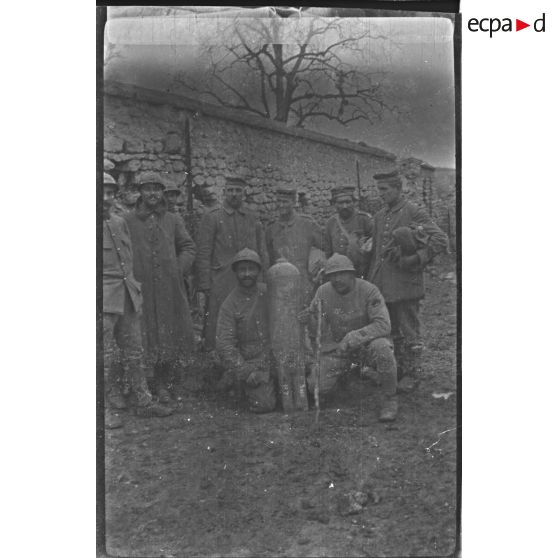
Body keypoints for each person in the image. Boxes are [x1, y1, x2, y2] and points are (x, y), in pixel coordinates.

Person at [101, 172, 173, 428]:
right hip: (102, 299)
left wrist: (135, 291)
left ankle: (144, 401)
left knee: (134, 352)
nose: (106, 198)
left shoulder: (119, 223)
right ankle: (102, 410)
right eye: (101, 192)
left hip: (127, 295)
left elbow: (127, 260)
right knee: (104, 356)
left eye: (110, 193)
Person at [367, 171, 449, 392]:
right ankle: (398, 371)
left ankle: (413, 374)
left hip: (406, 283)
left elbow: (441, 239)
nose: (380, 194)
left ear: (397, 189)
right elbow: (376, 253)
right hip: (382, 284)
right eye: (378, 189)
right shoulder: (379, 216)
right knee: (390, 330)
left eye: (385, 189)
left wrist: (416, 258)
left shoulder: (413, 211)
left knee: (409, 330)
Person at [124, 170, 197, 403]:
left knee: (168, 332)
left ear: (162, 192)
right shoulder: (128, 220)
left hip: (168, 288)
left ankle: (167, 382)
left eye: (156, 189)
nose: (152, 193)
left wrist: (178, 268)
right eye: (147, 189)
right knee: (145, 333)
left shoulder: (173, 219)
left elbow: (188, 247)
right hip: (141, 288)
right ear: (140, 192)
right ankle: (147, 383)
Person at [299, 254, 399, 422]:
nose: (337, 279)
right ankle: (349, 376)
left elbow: (383, 325)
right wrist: (309, 319)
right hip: (340, 349)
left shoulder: (369, 290)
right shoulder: (323, 291)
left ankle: (389, 398)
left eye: (341, 274)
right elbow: (318, 328)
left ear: (352, 274)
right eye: (332, 275)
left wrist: (355, 336)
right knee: (316, 387)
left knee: (383, 348)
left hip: (368, 346)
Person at [195, 176, 267, 351]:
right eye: (230, 190)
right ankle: (217, 358)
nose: (234, 194)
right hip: (222, 281)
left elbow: (261, 249)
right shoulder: (212, 217)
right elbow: (204, 253)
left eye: (238, 190)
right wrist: (204, 285)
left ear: (244, 193)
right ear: (224, 192)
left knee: (249, 317)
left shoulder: (252, 217)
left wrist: (263, 278)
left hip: (249, 278)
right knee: (218, 319)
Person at [216, 249, 277, 413]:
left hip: (275, 356)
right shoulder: (230, 304)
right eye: (242, 270)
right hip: (252, 363)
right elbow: (225, 345)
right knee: (265, 405)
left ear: (259, 270)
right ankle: (237, 383)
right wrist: (245, 371)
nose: (247, 274)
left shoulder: (269, 292)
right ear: (235, 272)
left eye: (251, 269)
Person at [266, 186, 324, 305]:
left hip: (303, 283)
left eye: (285, 201)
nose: (281, 205)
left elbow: (325, 246)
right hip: (279, 284)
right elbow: (267, 258)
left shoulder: (307, 224)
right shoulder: (271, 228)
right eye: (279, 201)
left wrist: (318, 268)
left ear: (293, 202)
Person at [324, 186, 374, 278]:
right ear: (335, 204)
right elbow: (328, 251)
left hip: (361, 272)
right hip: (339, 272)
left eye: (348, 202)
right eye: (340, 203)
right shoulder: (331, 223)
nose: (345, 206)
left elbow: (374, 244)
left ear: (354, 202)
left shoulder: (364, 219)